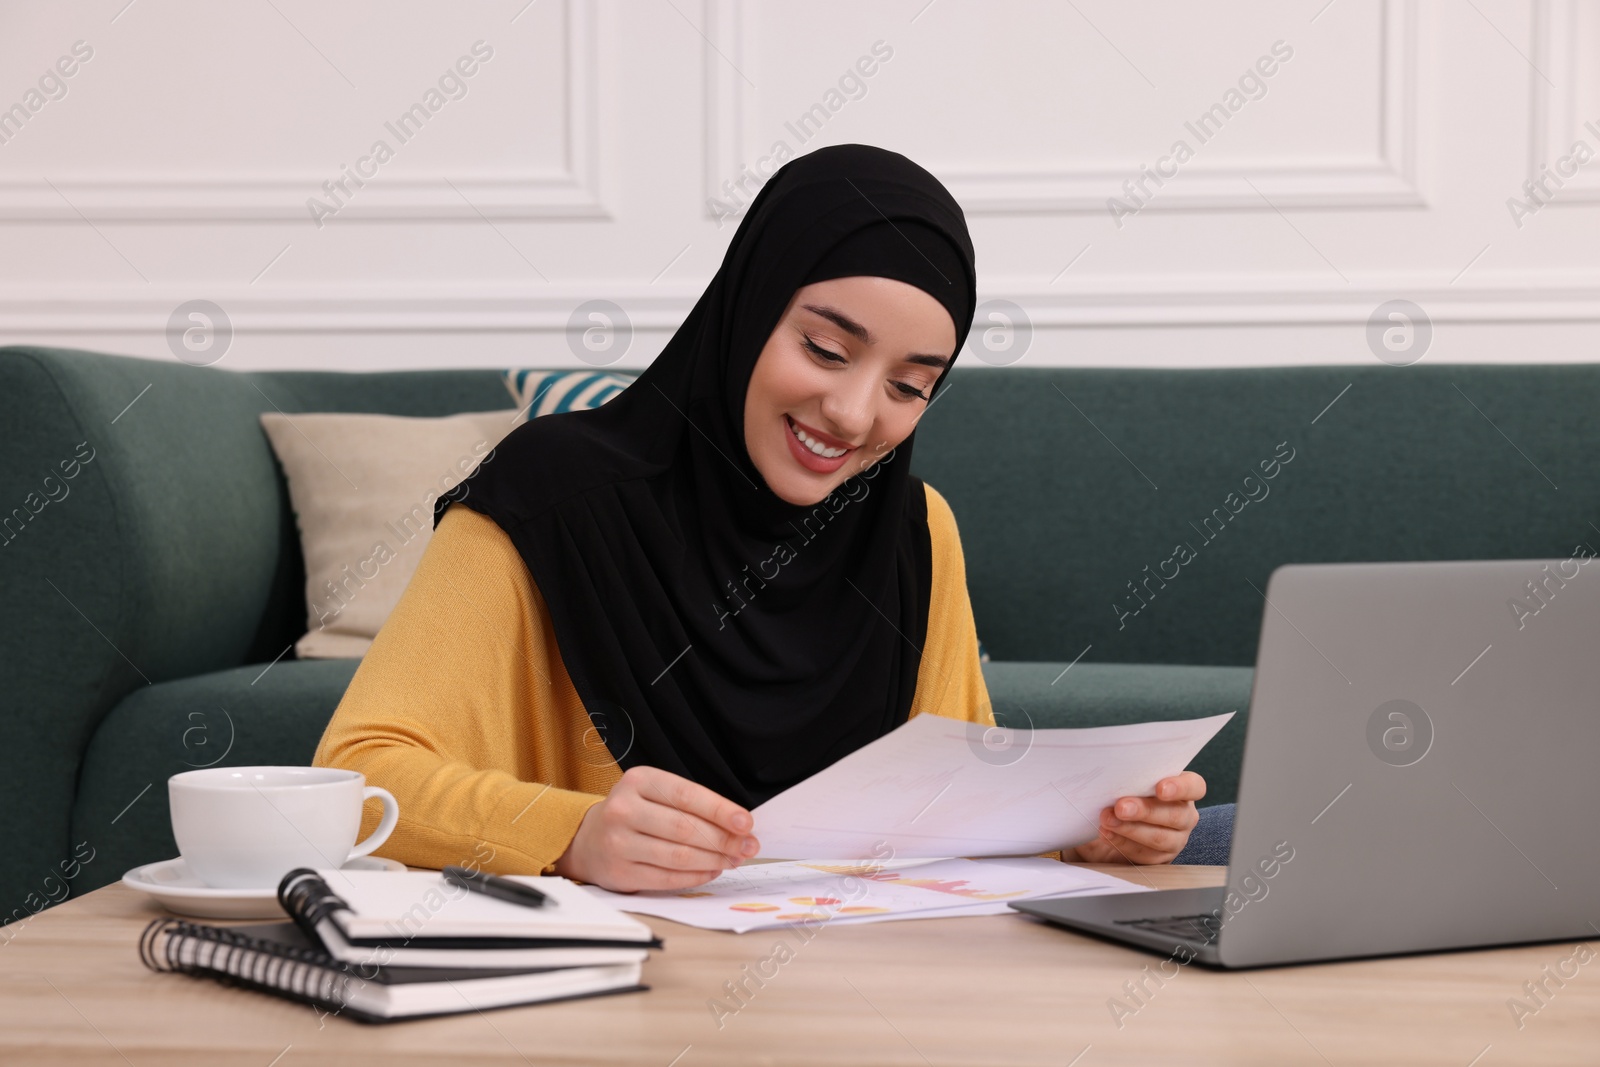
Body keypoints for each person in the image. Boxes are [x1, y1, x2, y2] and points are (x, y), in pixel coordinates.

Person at [312, 144, 1208, 892]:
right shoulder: (550, 496)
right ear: (745, 311)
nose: (855, 416)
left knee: (1229, 837)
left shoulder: (914, 529)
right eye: (824, 348)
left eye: (909, 387)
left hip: (864, 995)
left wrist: (1084, 837)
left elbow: (949, 812)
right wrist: (573, 832)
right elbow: (352, 781)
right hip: (613, 995)